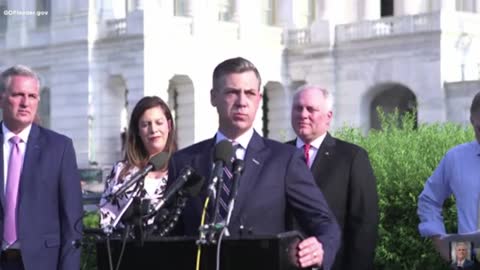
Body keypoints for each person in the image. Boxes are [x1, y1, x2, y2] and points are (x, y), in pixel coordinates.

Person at [167, 57, 340, 269]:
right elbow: (169, 235)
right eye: (232, 92)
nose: (242, 101)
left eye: (249, 93)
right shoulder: (184, 162)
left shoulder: (284, 159)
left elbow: (326, 224)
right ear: (213, 97)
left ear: (259, 99)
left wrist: (320, 247)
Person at [287, 85, 379, 270]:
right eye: (298, 108)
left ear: (328, 117)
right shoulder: (278, 155)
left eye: (311, 109)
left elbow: (364, 224)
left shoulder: (351, 157)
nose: (303, 114)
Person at [0, 65, 83, 270]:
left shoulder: (59, 148)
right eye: (18, 94)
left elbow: (72, 221)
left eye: (32, 96)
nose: (25, 103)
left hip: (42, 263)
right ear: (2, 98)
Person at [418, 91, 480, 260]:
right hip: (466, 258)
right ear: (472, 121)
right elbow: (429, 200)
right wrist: (440, 241)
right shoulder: (456, 158)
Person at [99, 96, 176, 232]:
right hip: (125, 249)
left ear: (169, 125)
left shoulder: (181, 169)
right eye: (146, 124)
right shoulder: (120, 171)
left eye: (159, 122)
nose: (153, 130)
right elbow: (106, 215)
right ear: (138, 131)